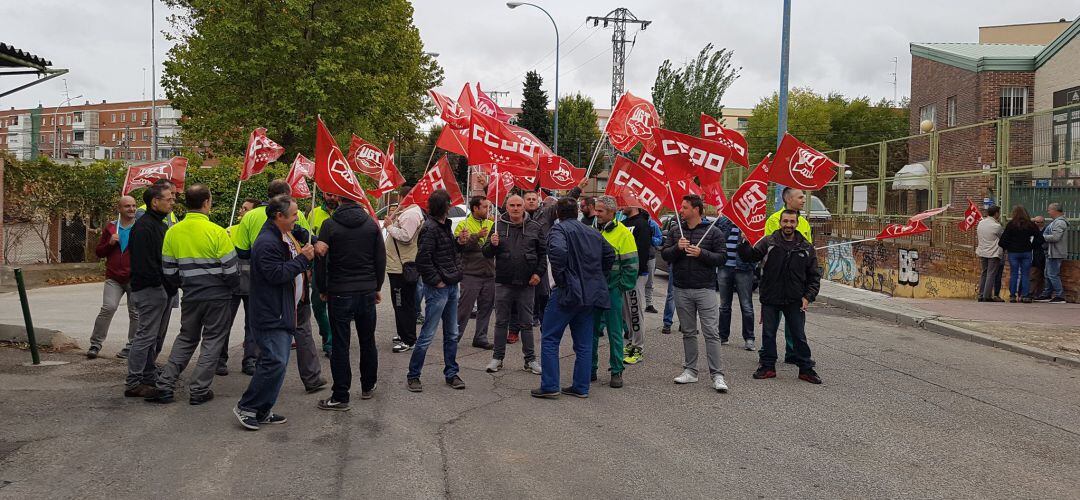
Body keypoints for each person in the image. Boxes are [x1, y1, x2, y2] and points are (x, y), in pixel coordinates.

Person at [146, 184, 240, 404]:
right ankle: (199, 390)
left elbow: (168, 270)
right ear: (207, 202)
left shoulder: (172, 232)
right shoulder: (217, 232)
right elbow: (231, 269)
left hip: (191, 294)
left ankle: (165, 386)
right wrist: (229, 287)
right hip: (217, 295)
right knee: (212, 340)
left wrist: (185, 285)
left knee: (186, 338)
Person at [233, 195, 316, 431]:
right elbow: (276, 274)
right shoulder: (267, 242)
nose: (296, 219)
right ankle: (247, 406)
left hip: (283, 310)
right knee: (274, 361)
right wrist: (303, 259)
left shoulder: (281, 234)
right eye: (293, 215)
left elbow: (297, 237)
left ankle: (262, 409)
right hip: (271, 312)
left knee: (277, 363)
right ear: (279, 216)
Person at [532, 198, 615, 399]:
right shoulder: (592, 231)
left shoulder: (559, 230)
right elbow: (609, 254)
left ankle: (550, 385)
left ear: (558, 212)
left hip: (567, 291)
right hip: (588, 293)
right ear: (577, 211)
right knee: (584, 342)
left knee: (550, 338)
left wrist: (562, 279)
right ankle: (581, 386)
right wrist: (595, 276)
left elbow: (558, 253)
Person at [314, 196, 386, 411]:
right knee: (367, 340)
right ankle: (368, 385)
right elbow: (380, 258)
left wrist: (323, 288)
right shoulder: (371, 224)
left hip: (339, 291)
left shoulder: (329, 225)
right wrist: (377, 287)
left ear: (339, 200)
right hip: (366, 291)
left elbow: (320, 259)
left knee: (340, 344)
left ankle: (341, 395)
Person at [739, 209, 822, 384]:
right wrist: (744, 242)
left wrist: (808, 297)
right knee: (769, 334)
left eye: (792, 222)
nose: (788, 225)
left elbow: (814, 276)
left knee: (799, 335)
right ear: (780, 222)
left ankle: (805, 369)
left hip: (795, 299)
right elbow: (749, 256)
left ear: (797, 224)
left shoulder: (806, 247)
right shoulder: (768, 242)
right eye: (785, 221)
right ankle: (768, 367)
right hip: (771, 297)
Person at [661, 195, 729, 392]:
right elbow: (665, 254)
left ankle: (717, 375)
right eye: (681, 207)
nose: (681, 210)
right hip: (681, 288)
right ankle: (690, 371)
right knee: (688, 332)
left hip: (705, 288)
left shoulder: (713, 232)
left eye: (685, 207)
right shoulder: (675, 230)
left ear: (696, 210)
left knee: (711, 333)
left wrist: (702, 254)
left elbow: (722, 257)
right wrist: (676, 248)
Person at [408, 190, 466, 392]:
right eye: (448, 203)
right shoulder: (430, 229)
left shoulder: (444, 227)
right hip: (439, 289)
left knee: (452, 333)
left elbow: (448, 253)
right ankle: (413, 375)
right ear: (443, 206)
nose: (450, 206)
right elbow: (422, 259)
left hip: (451, 285)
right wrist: (436, 281)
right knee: (427, 335)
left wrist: (459, 243)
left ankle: (451, 373)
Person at [123, 183, 177, 398]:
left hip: (159, 289)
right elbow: (147, 264)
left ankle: (147, 374)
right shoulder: (144, 227)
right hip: (150, 290)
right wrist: (162, 285)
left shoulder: (157, 224)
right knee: (145, 336)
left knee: (152, 336)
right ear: (155, 202)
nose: (172, 201)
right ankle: (134, 381)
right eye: (168, 198)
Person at [483, 194, 545, 376]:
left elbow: (543, 254)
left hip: (527, 283)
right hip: (504, 281)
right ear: (507, 207)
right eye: (512, 205)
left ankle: (530, 360)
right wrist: (492, 245)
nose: (516, 208)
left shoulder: (535, 227)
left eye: (519, 205)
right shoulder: (498, 225)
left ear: (524, 206)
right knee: (501, 321)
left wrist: (538, 274)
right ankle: (497, 358)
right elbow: (486, 253)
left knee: (526, 323)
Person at [590, 195, 637, 388]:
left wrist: (619, 287)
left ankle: (617, 371)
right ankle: (590, 368)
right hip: (593, 291)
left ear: (611, 212)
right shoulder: (593, 230)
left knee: (615, 333)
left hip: (612, 291)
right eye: (596, 210)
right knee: (591, 332)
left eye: (600, 211)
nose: (596, 213)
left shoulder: (624, 233)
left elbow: (631, 266)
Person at [762, 187, 812, 364]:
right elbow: (768, 249)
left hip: (796, 284)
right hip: (775, 283)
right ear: (788, 200)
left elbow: (808, 252)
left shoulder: (803, 222)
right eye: (800, 197)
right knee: (771, 324)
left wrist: (808, 290)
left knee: (796, 326)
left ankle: (793, 354)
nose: (804, 200)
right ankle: (767, 355)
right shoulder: (774, 220)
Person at [87, 196, 139, 360]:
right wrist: (109, 243)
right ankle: (95, 344)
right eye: (127, 206)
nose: (131, 209)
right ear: (119, 209)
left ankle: (132, 346)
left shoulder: (140, 227)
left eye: (133, 206)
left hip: (134, 277)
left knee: (135, 313)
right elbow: (99, 252)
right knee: (108, 308)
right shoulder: (111, 227)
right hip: (114, 277)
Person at [220, 197, 259, 374]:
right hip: (232, 284)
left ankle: (250, 360)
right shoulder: (229, 231)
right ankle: (220, 359)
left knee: (252, 324)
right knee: (224, 323)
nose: (241, 212)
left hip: (253, 285)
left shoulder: (259, 231)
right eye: (242, 208)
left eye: (246, 209)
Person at [385, 187, 424, 353]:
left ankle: (408, 339)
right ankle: (403, 333)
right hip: (398, 266)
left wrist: (389, 227)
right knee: (400, 303)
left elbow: (406, 236)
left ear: (404, 197)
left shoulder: (411, 214)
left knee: (403, 304)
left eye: (400, 198)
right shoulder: (409, 213)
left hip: (402, 267)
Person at [455, 195, 496, 350]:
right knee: (464, 308)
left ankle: (480, 337)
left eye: (488, 207)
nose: (488, 210)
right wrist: (475, 237)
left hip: (489, 273)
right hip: (470, 273)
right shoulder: (463, 225)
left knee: (486, 308)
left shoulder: (492, 223)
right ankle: (455, 336)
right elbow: (461, 248)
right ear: (475, 208)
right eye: (485, 207)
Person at [716, 216, 756, 350]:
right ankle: (722, 336)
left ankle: (749, 338)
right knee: (724, 305)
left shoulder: (750, 222)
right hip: (724, 267)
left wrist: (748, 238)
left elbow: (758, 247)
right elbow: (717, 241)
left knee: (746, 305)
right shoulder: (722, 222)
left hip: (743, 269)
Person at [619, 204, 652, 365]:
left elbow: (643, 251)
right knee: (626, 313)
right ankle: (631, 343)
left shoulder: (642, 225)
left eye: (624, 202)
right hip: (624, 275)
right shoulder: (624, 224)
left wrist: (635, 273)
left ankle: (638, 348)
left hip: (636, 275)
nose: (621, 205)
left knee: (634, 311)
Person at [309, 193, 340, 356]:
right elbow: (307, 241)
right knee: (318, 305)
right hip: (318, 264)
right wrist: (307, 267)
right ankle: (326, 333)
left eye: (334, 195)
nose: (332, 198)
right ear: (323, 194)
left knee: (335, 305)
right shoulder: (314, 213)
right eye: (328, 194)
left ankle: (331, 341)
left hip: (339, 265)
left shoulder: (343, 213)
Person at [998, 206, 1044, 303]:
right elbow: (1040, 239)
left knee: (1014, 273)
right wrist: (1032, 245)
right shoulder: (1030, 225)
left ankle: (1013, 296)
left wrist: (1009, 247)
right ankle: (1025, 295)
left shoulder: (1011, 225)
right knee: (1025, 274)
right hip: (1026, 252)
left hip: (1013, 253)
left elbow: (1002, 241)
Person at [1037, 203, 1068, 303]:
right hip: (1051, 252)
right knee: (1048, 274)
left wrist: (1042, 237)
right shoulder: (1055, 222)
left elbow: (1055, 237)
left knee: (1053, 274)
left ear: (1055, 211)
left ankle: (1060, 295)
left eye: (1049, 210)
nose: (1048, 212)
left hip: (1056, 252)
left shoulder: (1059, 223)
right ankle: (1047, 293)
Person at [975, 205, 1005, 302]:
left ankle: (981, 293)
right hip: (993, 252)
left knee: (984, 273)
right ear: (996, 213)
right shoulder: (996, 226)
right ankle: (986, 295)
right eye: (999, 213)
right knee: (991, 274)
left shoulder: (981, 223)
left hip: (982, 250)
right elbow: (1003, 238)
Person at [643, 216, 663, 314]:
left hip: (650, 257)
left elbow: (659, 239)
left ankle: (648, 304)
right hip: (638, 256)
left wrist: (651, 238)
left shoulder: (653, 224)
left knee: (649, 282)